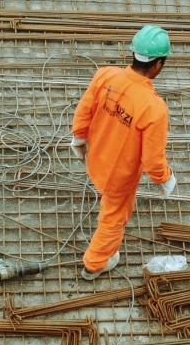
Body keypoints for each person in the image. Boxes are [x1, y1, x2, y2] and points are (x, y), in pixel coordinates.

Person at [70, 25, 177, 280]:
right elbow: (152, 160)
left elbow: (84, 110)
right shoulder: (154, 108)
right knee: (113, 219)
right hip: (118, 177)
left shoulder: (105, 75)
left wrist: (78, 137)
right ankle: (94, 264)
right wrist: (165, 177)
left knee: (109, 207)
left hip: (95, 158)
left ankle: (98, 258)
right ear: (158, 65)